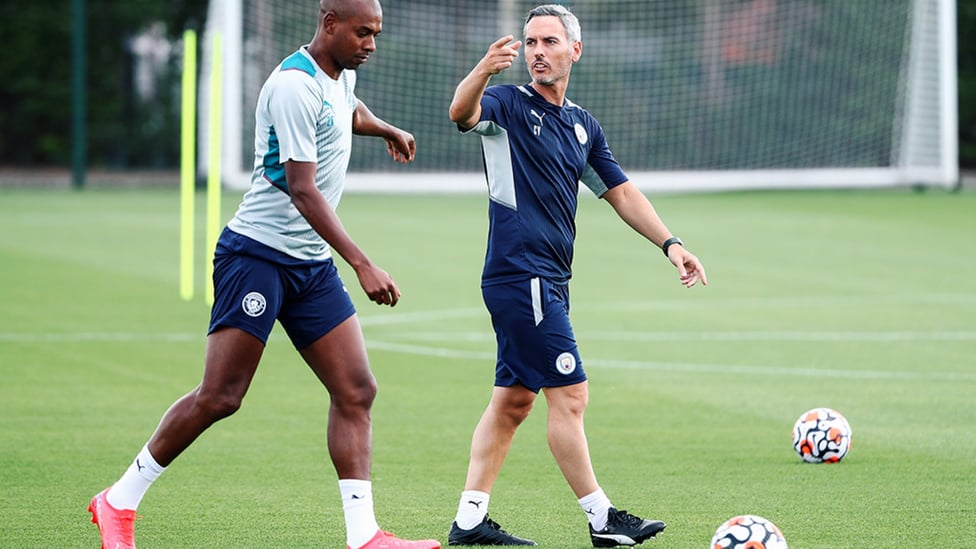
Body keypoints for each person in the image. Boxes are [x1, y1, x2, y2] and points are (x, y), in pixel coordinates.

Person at [88, 1, 440, 548]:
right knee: (221, 396)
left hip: (308, 265)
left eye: (377, 33)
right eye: (363, 33)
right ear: (329, 25)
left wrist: (384, 127)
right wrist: (362, 261)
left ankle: (364, 536)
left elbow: (346, 110)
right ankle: (117, 501)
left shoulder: (337, 74)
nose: (372, 43)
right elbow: (302, 189)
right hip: (256, 256)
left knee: (356, 389)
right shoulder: (292, 86)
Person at [446, 4, 707, 547]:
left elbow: (621, 192)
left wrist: (671, 243)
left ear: (574, 51)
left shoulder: (583, 125)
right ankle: (601, 518)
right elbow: (460, 113)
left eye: (548, 41)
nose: (538, 51)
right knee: (570, 395)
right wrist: (483, 70)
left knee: (514, 400)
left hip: (548, 281)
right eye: (531, 42)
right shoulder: (508, 104)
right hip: (523, 275)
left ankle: (469, 520)